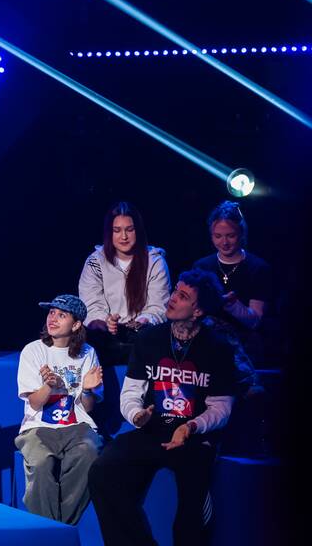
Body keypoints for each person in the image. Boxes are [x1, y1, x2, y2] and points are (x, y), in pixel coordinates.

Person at [88, 270, 245, 546]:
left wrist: (190, 426)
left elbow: (221, 408)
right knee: (103, 472)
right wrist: (136, 414)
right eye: (174, 291)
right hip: (152, 430)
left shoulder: (217, 347)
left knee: (191, 512)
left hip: (194, 438)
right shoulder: (149, 339)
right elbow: (131, 392)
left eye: (182, 296)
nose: (172, 298)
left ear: (198, 311)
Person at [14, 294, 103, 525]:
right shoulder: (33, 350)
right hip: (38, 427)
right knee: (42, 463)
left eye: (61, 315)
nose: (52, 318)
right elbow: (35, 403)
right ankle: (49, 530)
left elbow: (88, 408)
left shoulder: (88, 353)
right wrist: (49, 386)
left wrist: (87, 390)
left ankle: (60, 527)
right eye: (51, 312)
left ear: (76, 325)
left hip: (77, 426)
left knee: (89, 453)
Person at [78, 202, 171, 365]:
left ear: (138, 231)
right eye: (117, 230)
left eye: (129, 229)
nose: (124, 236)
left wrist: (140, 322)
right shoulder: (95, 261)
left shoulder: (155, 262)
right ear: (109, 233)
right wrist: (105, 321)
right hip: (104, 338)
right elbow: (90, 304)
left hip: (142, 336)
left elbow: (158, 306)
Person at [191, 200, 276, 365]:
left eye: (230, 235)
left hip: (244, 348)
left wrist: (232, 305)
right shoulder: (201, 266)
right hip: (206, 344)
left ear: (241, 233)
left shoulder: (258, 268)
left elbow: (255, 322)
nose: (224, 242)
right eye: (218, 236)